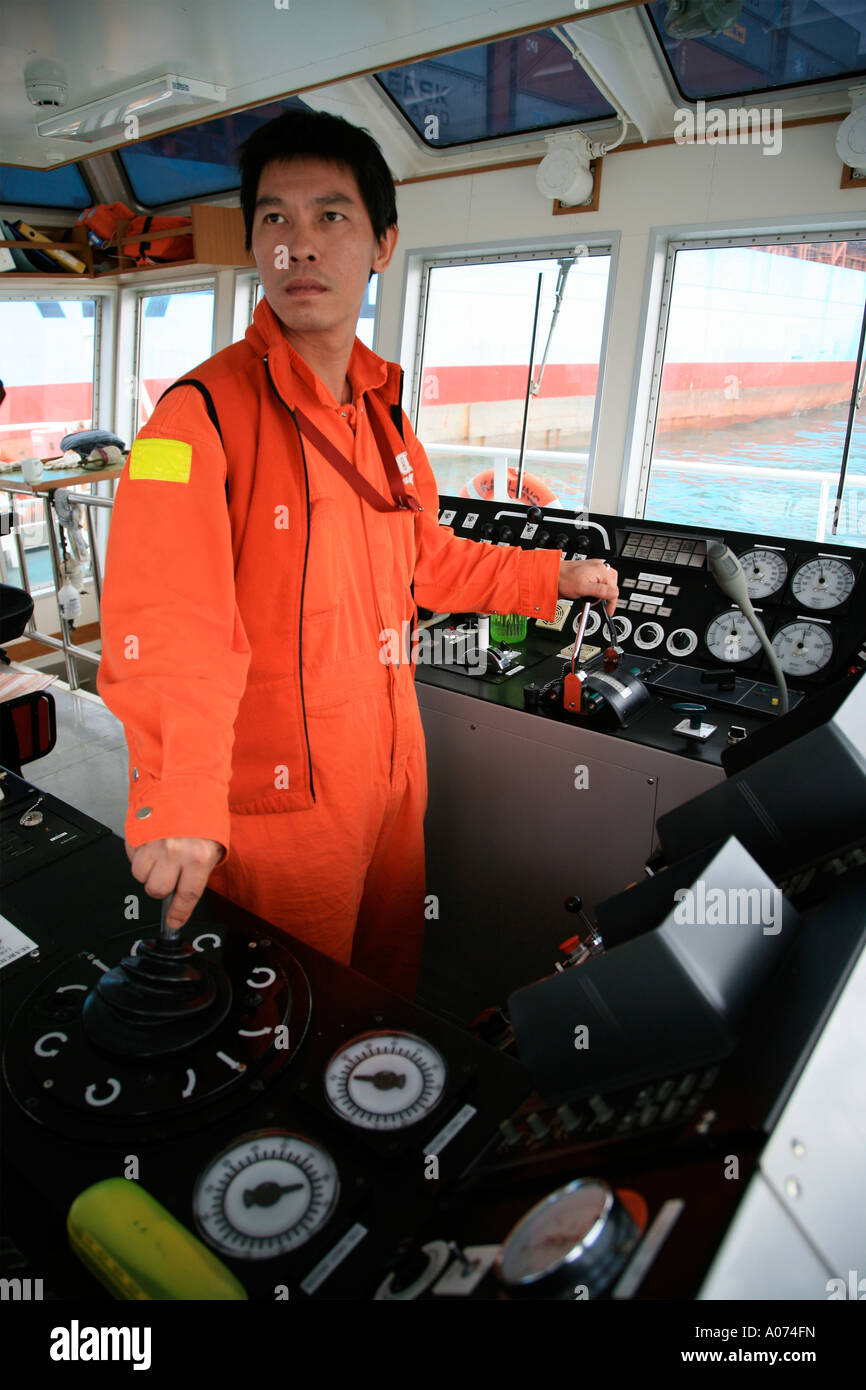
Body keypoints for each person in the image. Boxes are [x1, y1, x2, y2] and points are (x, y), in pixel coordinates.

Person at [97, 109, 618, 998]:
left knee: (382, 995)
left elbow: (426, 558)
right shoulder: (196, 417)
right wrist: (177, 798)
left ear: (382, 243)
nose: (299, 245)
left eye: (330, 216)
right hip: (277, 807)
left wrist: (549, 576)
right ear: (255, 243)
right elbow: (165, 624)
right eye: (275, 219)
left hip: (390, 776)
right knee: (285, 1022)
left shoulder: (385, 412)